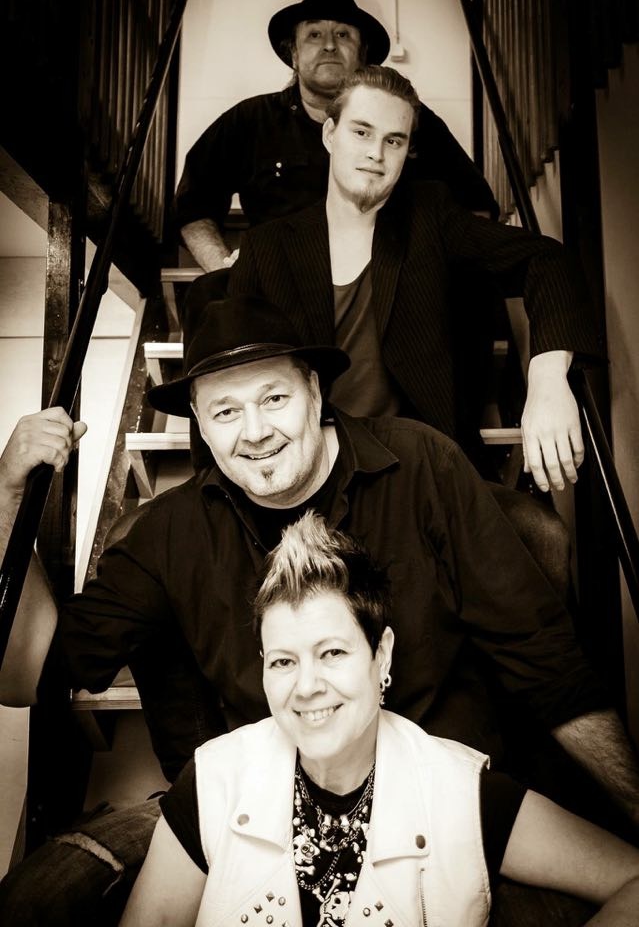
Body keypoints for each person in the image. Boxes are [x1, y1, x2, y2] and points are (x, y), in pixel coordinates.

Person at [0, 297, 636, 925]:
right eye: (225, 410)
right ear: (198, 420)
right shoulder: (170, 534)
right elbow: (25, 675)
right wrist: (5, 493)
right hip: (259, 818)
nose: (254, 431)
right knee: (34, 900)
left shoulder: (422, 465)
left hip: (447, 811)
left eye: (274, 397)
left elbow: (545, 659)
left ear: (314, 390)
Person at [120, 511, 639, 926]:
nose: (306, 686)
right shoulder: (212, 781)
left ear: (381, 655)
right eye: (283, 662)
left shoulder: (464, 793)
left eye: (332, 653)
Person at [227, 65, 603, 491]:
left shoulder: (430, 218)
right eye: (362, 132)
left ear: (407, 150)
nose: (376, 153)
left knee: (544, 529)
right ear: (330, 134)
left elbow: (547, 260)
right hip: (311, 473)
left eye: (394, 140)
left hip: (418, 469)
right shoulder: (267, 246)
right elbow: (226, 377)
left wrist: (548, 378)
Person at [175, 0, 498, 272]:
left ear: (363, 53)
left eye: (343, 34)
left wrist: (431, 277)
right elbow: (192, 207)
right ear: (294, 53)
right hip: (278, 287)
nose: (329, 45)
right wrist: (225, 272)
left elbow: (476, 207)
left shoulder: (407, 119)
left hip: (387, 289)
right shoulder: (248, 121)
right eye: (314, 34)